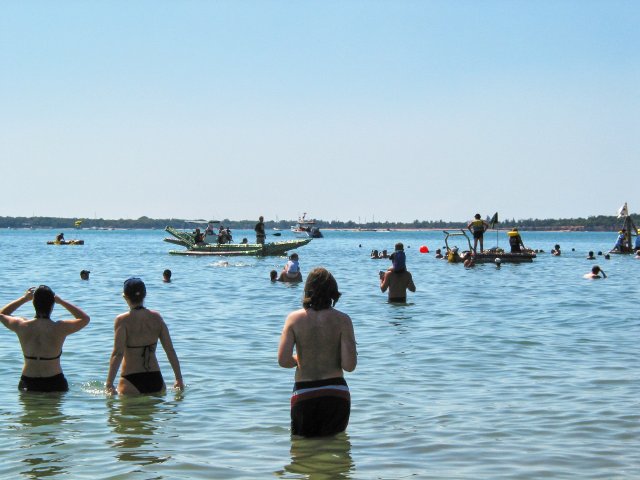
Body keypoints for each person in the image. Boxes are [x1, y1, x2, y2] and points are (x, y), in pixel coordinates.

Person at [278, 268, 357, 437]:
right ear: (333, 292)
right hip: (336, 393)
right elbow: (349, 366)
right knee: (337, 451)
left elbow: (284, 360)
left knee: (303, 454)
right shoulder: (343, 320)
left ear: (307, 290)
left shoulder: (294, 319)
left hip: (305, 393)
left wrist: (298, 359)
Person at [0, 285, 90, 392]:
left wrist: (23, 299)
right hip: (55, 382)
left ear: (33, 304)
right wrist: (62, 302)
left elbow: (2, 314)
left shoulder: (21, 325)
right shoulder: (60, 327)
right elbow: (85, 319)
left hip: (28, 382)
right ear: (52, 306)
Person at [106, 277, 184, 395]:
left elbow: (118, 353)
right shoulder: (157, 318)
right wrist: (179, 379)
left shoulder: (122, 320)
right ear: (145, 295)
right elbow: (170, 350)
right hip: (156, 380)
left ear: (125, 297)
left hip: (130, 380)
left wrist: (109, 384)